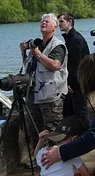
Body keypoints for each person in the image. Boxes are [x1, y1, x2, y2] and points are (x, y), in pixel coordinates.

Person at [21, 13, 68, 143]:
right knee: (35, 129)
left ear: (55, 27)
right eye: (42, 21)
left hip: (51, 95)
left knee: (53, 131)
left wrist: (38, 54)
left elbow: (55, 65)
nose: (43, 23)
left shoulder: (57, 45)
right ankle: (39, 159)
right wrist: (24, 52)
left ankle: (56, 159)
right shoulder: (37, 44)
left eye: (47, 21)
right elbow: (29, 67)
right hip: (34, 93)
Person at [58, 13, 91, 128]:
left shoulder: (76, 39)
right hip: (74, 80)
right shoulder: (70, 38)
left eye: (61, 21)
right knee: (70, 111)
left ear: (70, 22)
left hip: (78, 81)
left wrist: (72, 83)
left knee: (81, 111)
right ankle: (76, 135)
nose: (59, 24)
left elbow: (76, 63)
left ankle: (87, 136)